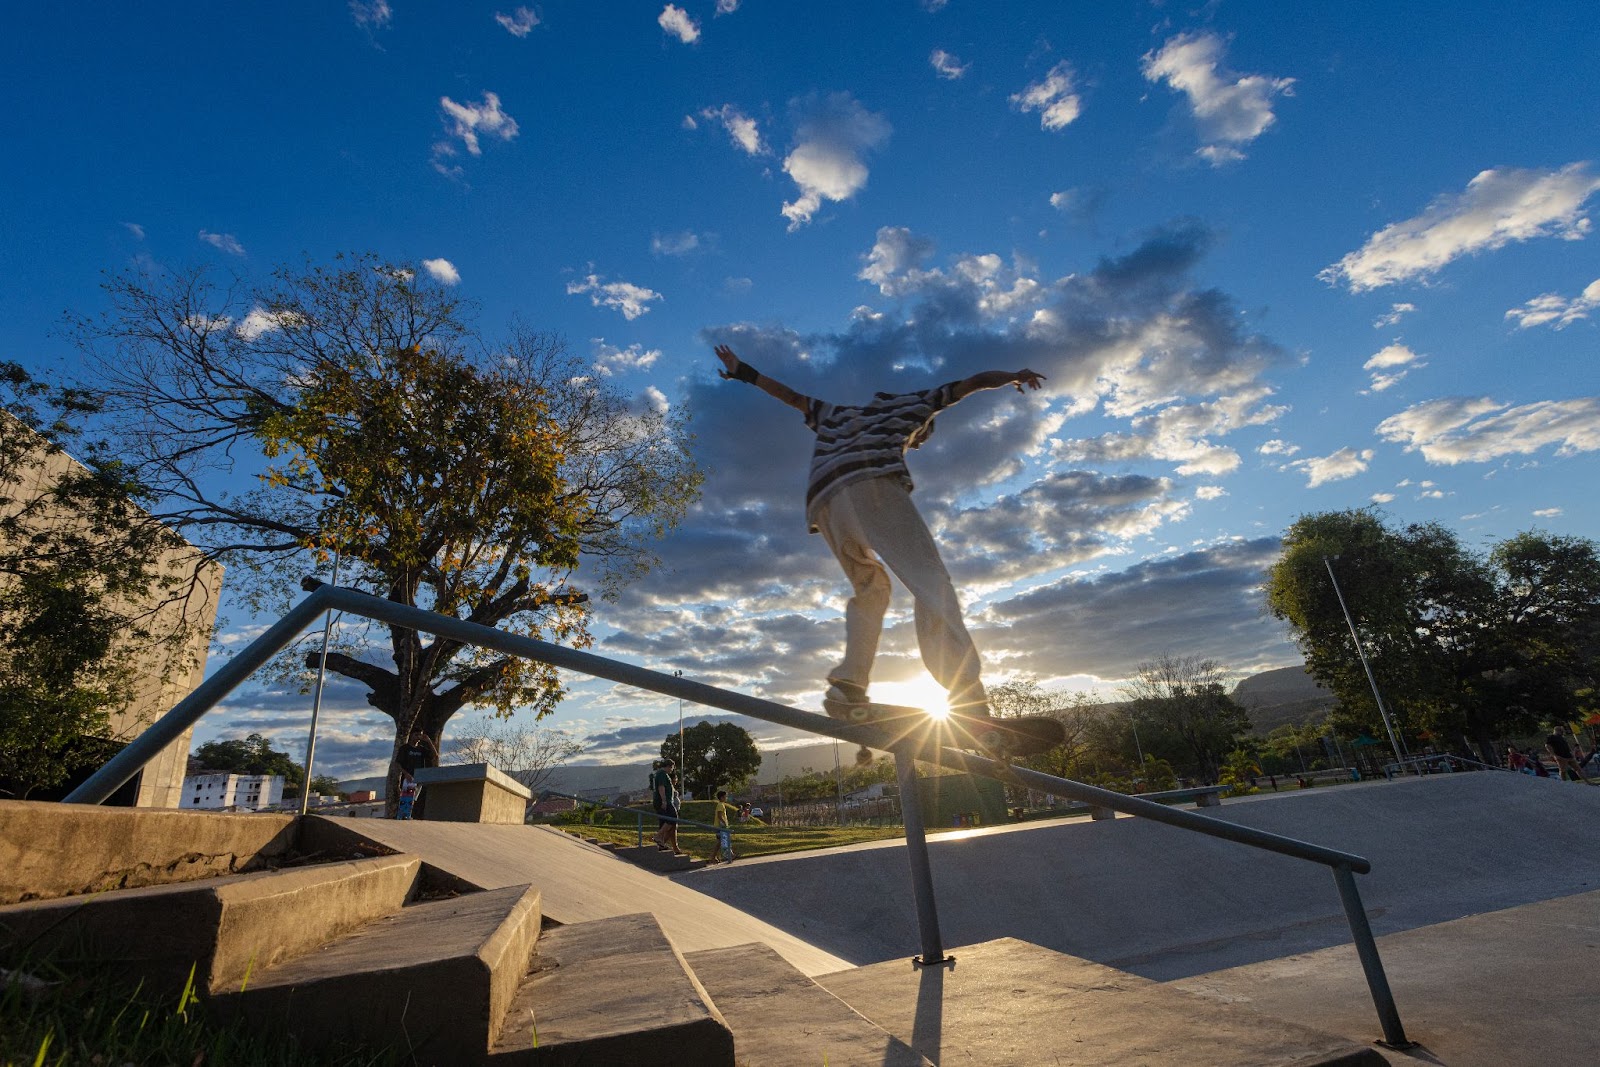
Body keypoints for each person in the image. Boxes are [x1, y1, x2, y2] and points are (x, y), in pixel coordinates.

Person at [712, 343, 1045, 749]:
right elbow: (973, 383)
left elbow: (790, 396)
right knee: (930, 581)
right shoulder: (916, 407)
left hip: (825, 500)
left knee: (871, 588)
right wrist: (1013, 374)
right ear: (921, 427)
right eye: (916, 443)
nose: (913, 447)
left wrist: (742, 369)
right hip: (871, 487)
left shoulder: (831, 412)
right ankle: (969, 701)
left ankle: (848, 685)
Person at [651, 759, 681, 851]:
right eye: (671, 768)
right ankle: (658, 836)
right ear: (668, 766)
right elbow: (661, 787)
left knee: (665, 821)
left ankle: (661, 842)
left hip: (667, 801)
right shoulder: (662, 774)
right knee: (673, 817)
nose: (672, 770)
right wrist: (664, 801)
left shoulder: (663, 774)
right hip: (665, 801)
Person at [708, 789, 735, 863]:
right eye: (725, 796)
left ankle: (715, 857)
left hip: (720, 827)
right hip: (720, 827)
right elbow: (720, 816)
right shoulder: (720, 805)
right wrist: (724, 823)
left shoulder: (721, 805)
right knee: (720, 842)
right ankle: (713, 856)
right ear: (722, 797)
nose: (726, 798)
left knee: (720, 842)